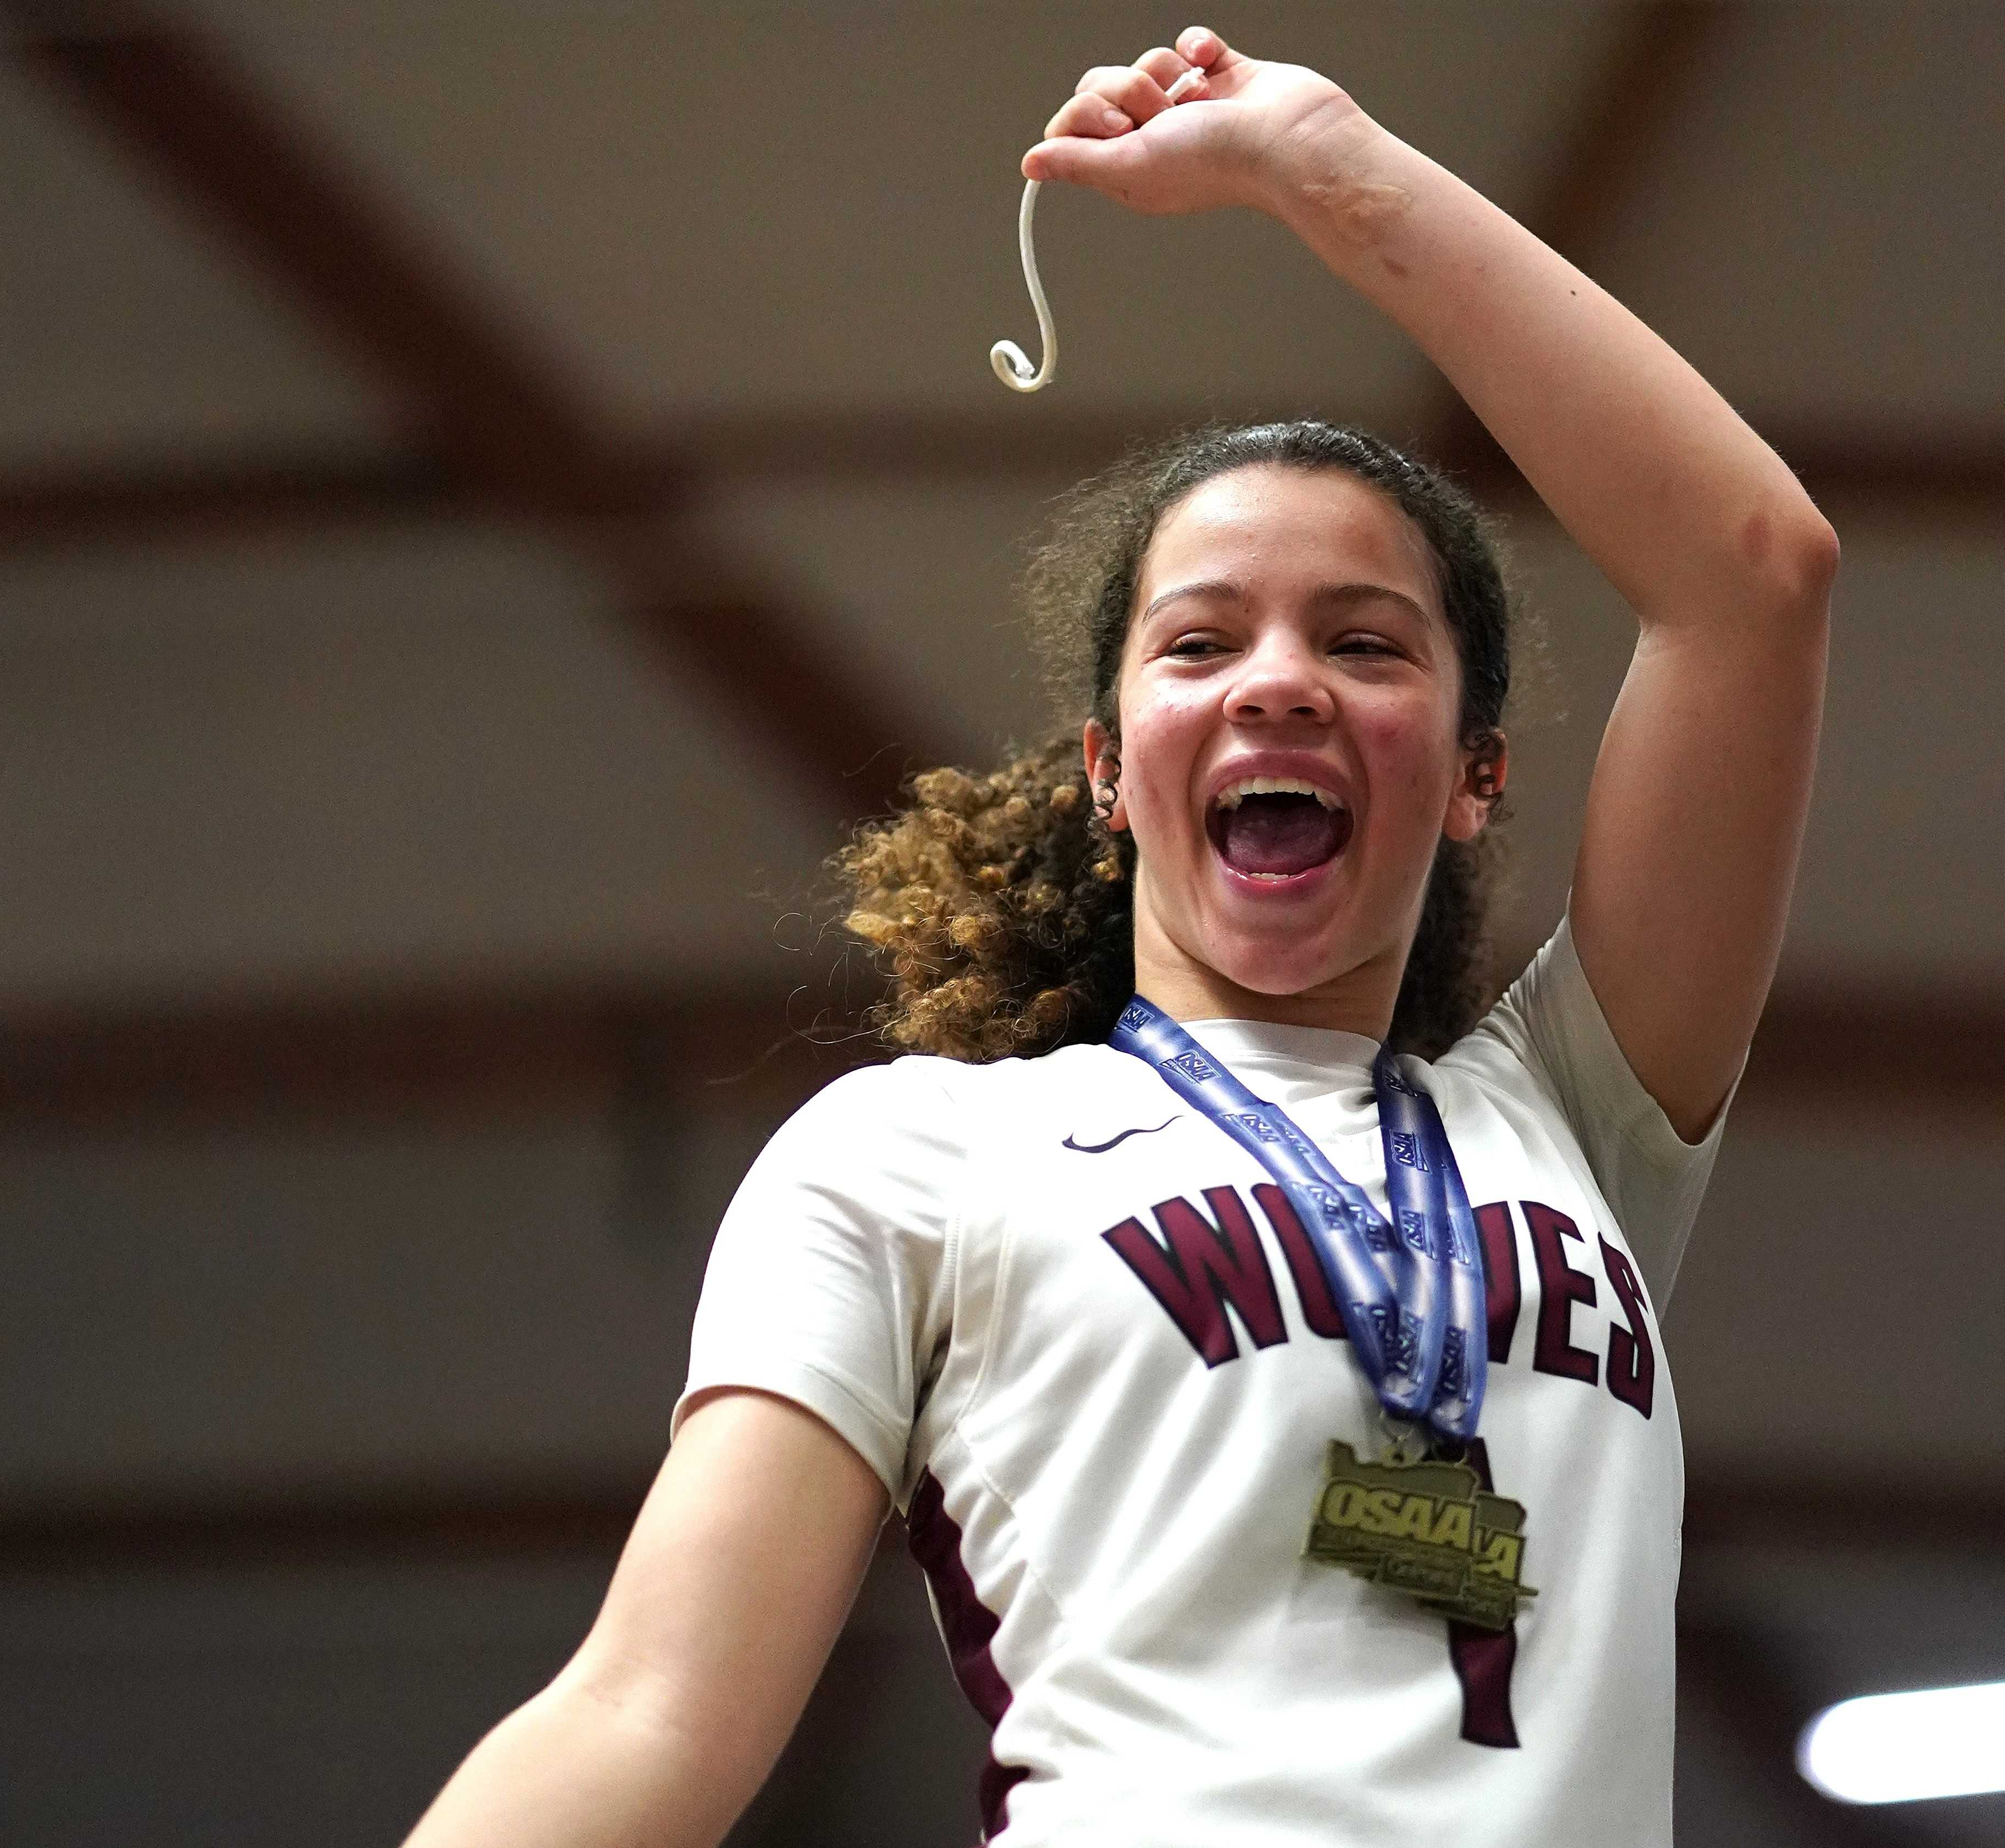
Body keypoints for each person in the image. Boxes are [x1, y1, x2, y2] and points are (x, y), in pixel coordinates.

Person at [404, 26, 1836, 1848]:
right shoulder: (913, 1158)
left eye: (1364, 643)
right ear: (1107, 767)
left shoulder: (1576, 1114)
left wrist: (1323, 157)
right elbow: (645, 1714)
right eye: (1199, 643)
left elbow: (1751, 573)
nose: (1279, 685)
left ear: (1477, 774)